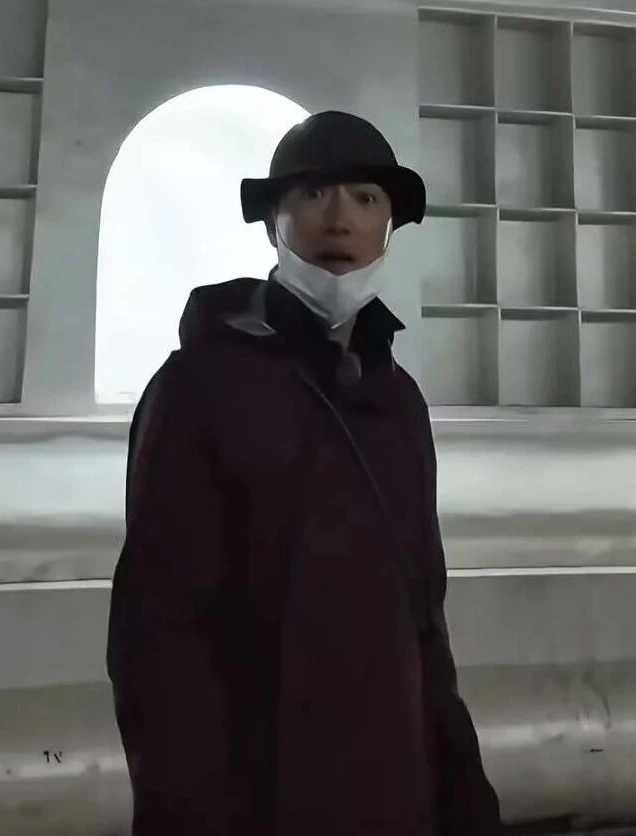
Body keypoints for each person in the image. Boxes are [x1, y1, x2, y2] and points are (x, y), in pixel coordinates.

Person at [106, 110, 501, 836]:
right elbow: (160, 635)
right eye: (315, 194)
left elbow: (424, 619)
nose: (340, 219)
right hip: (263, 798)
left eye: (367, 198)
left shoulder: (397, 400)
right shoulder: (199, 387)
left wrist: (463, 794)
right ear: (272, 223)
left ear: (389, 226)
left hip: (394, 792)